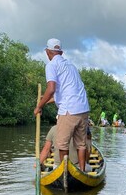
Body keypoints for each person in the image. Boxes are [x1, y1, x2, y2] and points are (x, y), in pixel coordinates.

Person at [34, 38, 90, 171]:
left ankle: (65, 171)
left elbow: (51, 89)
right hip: (83, 108)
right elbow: (64, 93)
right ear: (61, 52)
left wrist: (38, 107)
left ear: (48, 52)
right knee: (81, 144)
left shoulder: (51, 65)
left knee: (62, 144)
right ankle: (81, 171)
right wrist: (45, 101)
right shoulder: (71, 66)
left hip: (68, 110)